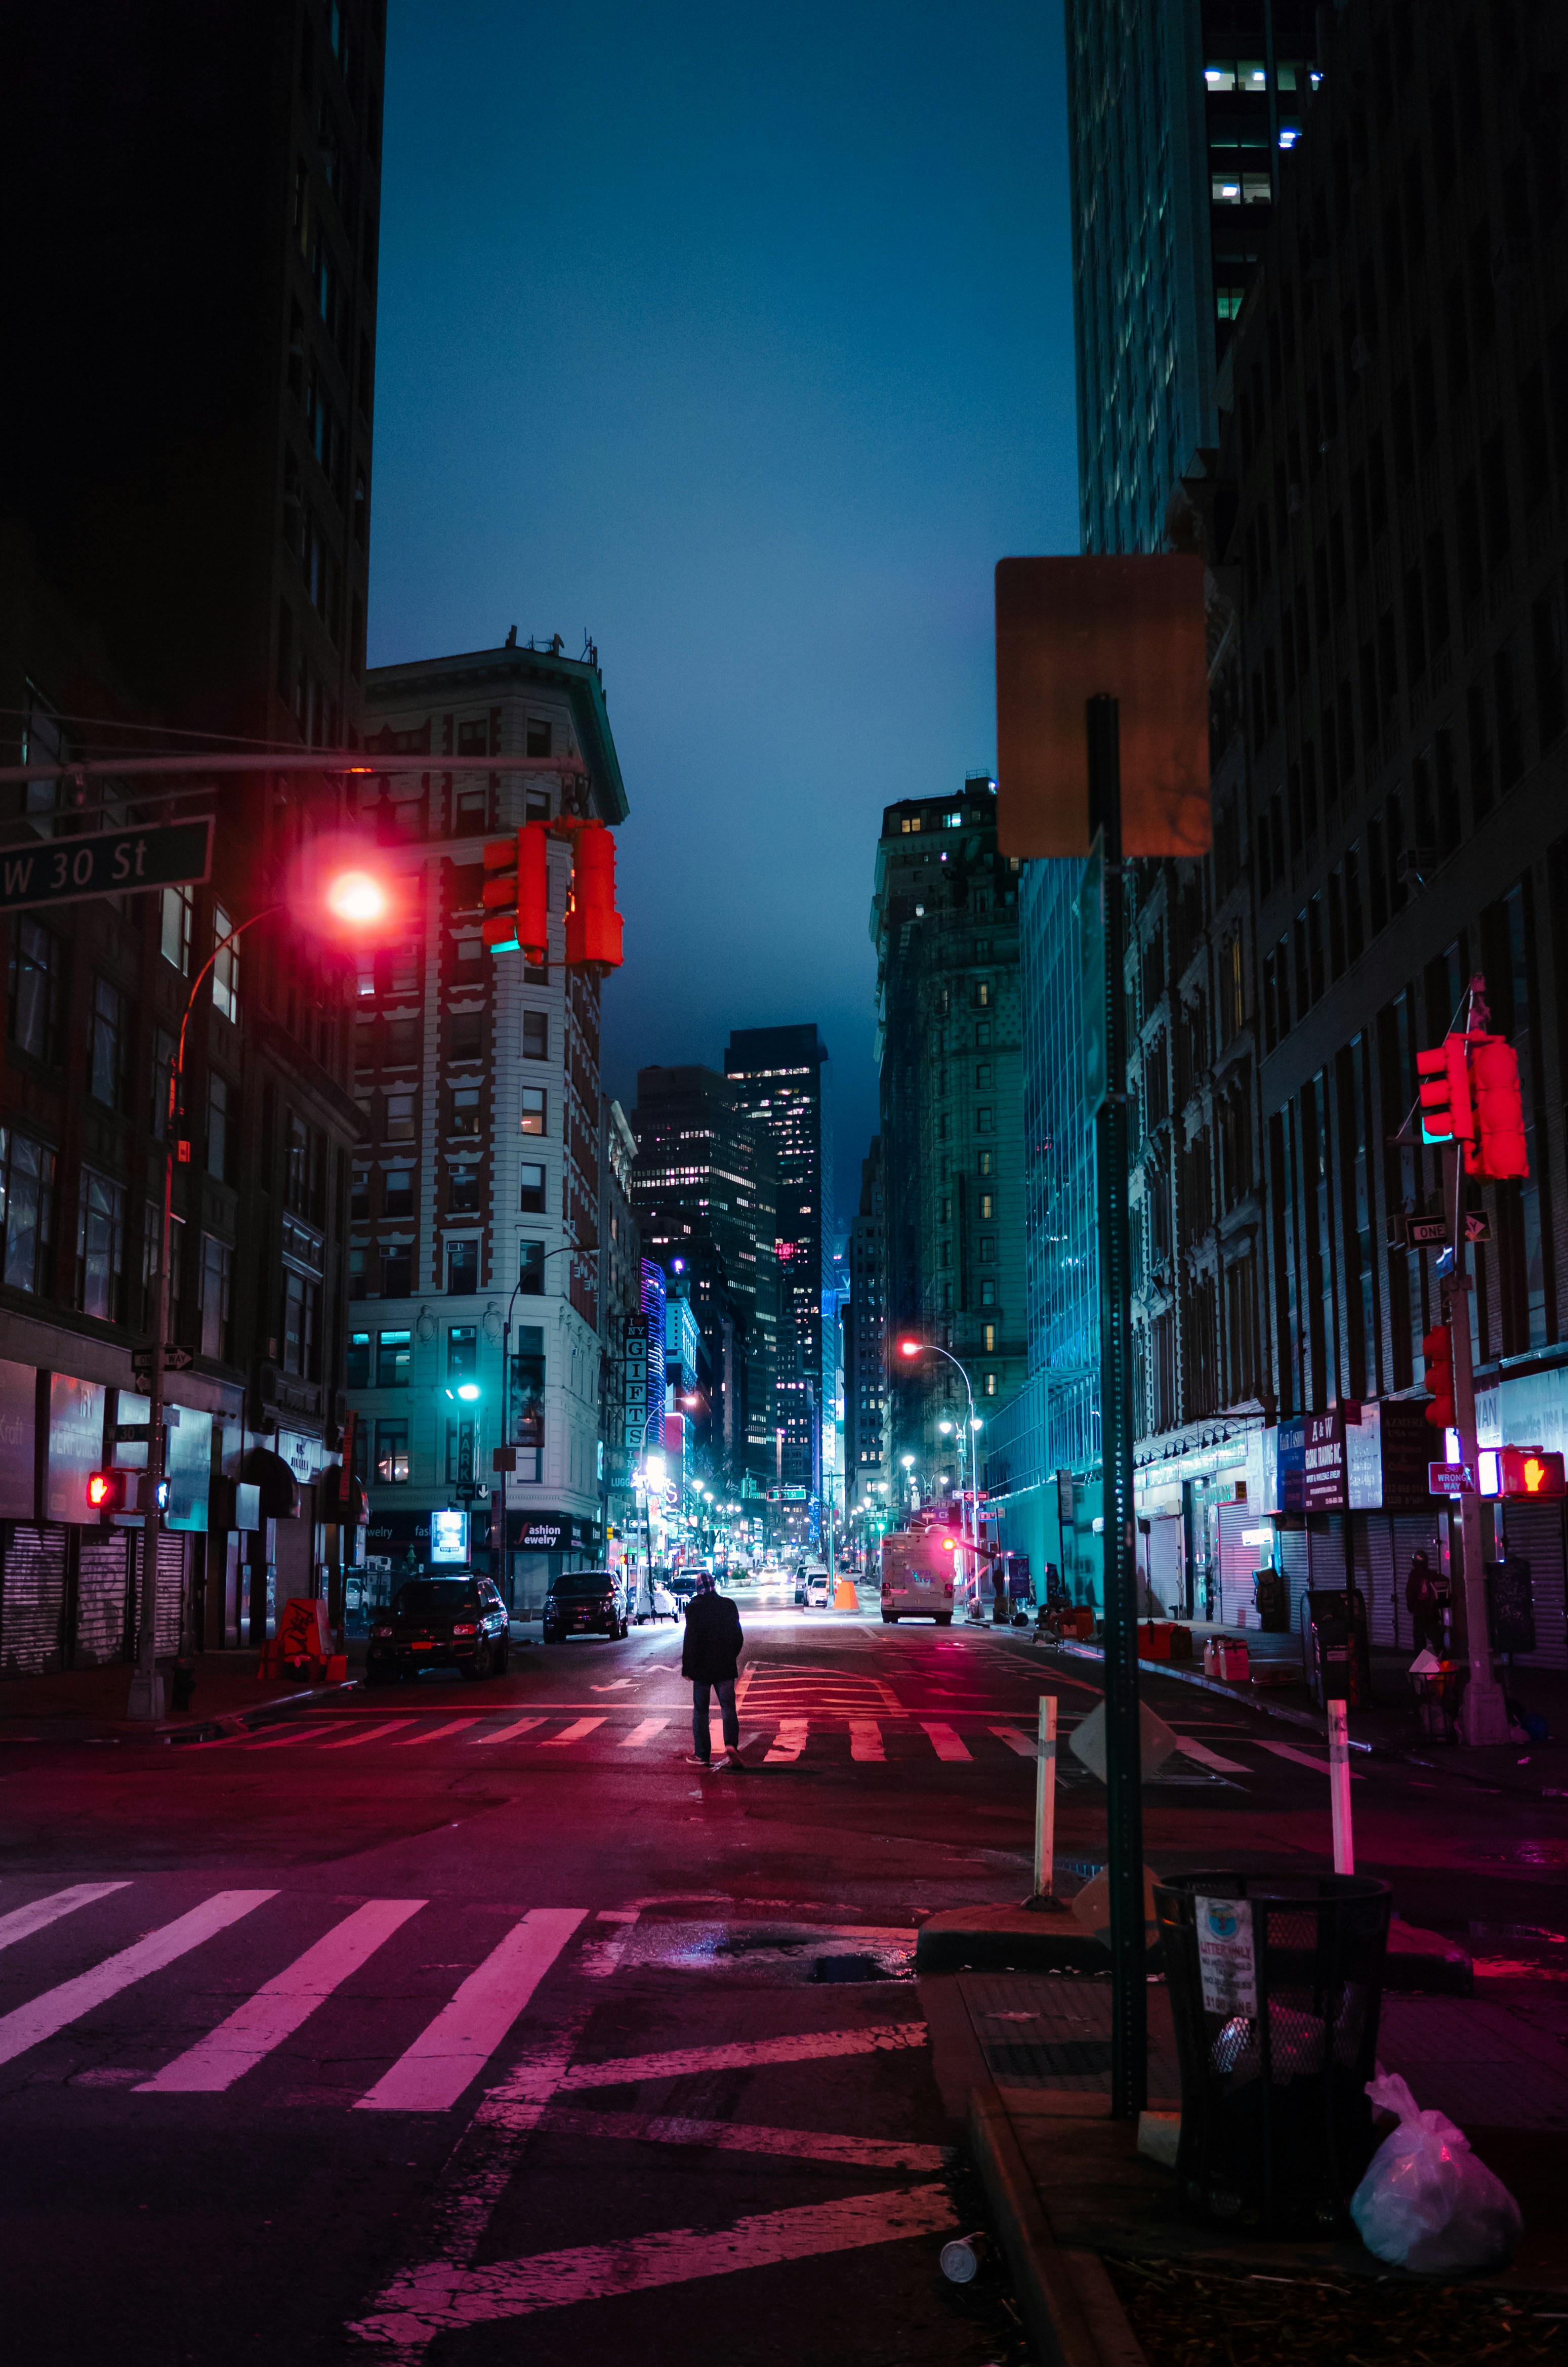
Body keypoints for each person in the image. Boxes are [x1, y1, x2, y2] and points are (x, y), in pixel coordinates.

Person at [681, 1569, 745, 1769]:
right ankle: (731, 1745)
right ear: (714, 1585)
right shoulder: (728, 1605)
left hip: (701, 1667)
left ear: (698, 1589)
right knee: (728, 1707)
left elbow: (691, 1641)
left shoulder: (694, 1608)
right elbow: (738, 1636)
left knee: (701, 1710)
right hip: (725, 1665)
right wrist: (730, 1655)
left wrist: (688, 1667)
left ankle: (702, 1754)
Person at [1405, 1550, 1443, 1656]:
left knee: (1419, 1641)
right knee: (1437, 1639)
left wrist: (1411, 1608)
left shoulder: (1414, 1576)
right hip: (1432, 1613)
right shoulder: (1433, 1575)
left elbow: (1410, 1594)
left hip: (1420, 1613)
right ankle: (1442, 1661)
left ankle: (1421, 1665)